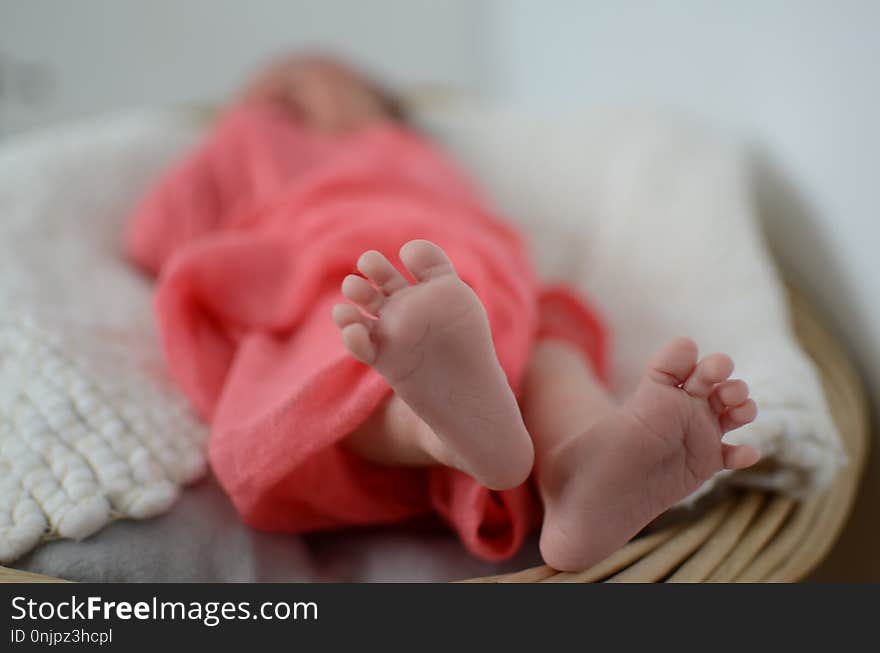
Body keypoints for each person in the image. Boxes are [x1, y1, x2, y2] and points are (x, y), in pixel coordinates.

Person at [128, 54, 759, 572]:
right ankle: (442, 428)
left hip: (471, 279)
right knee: (352, 350)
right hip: (336, 272)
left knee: (550, 348)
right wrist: (229, 146)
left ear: (380, 104)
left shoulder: (414, 147)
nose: (285, 84)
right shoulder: (245, 140)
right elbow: (156, 236)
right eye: (269, 83)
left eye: (316, 74)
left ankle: (582, 471)